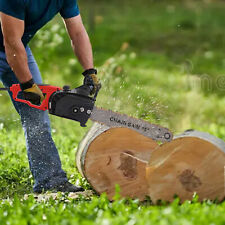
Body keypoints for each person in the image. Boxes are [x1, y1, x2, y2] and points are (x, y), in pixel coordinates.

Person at [0, 0, 100, 193]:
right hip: (11, 45)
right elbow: (11, 42)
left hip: (17, 47)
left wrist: (90, 72)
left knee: (36, 112)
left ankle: (50, 182)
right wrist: (28, 85)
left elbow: (77, 32)